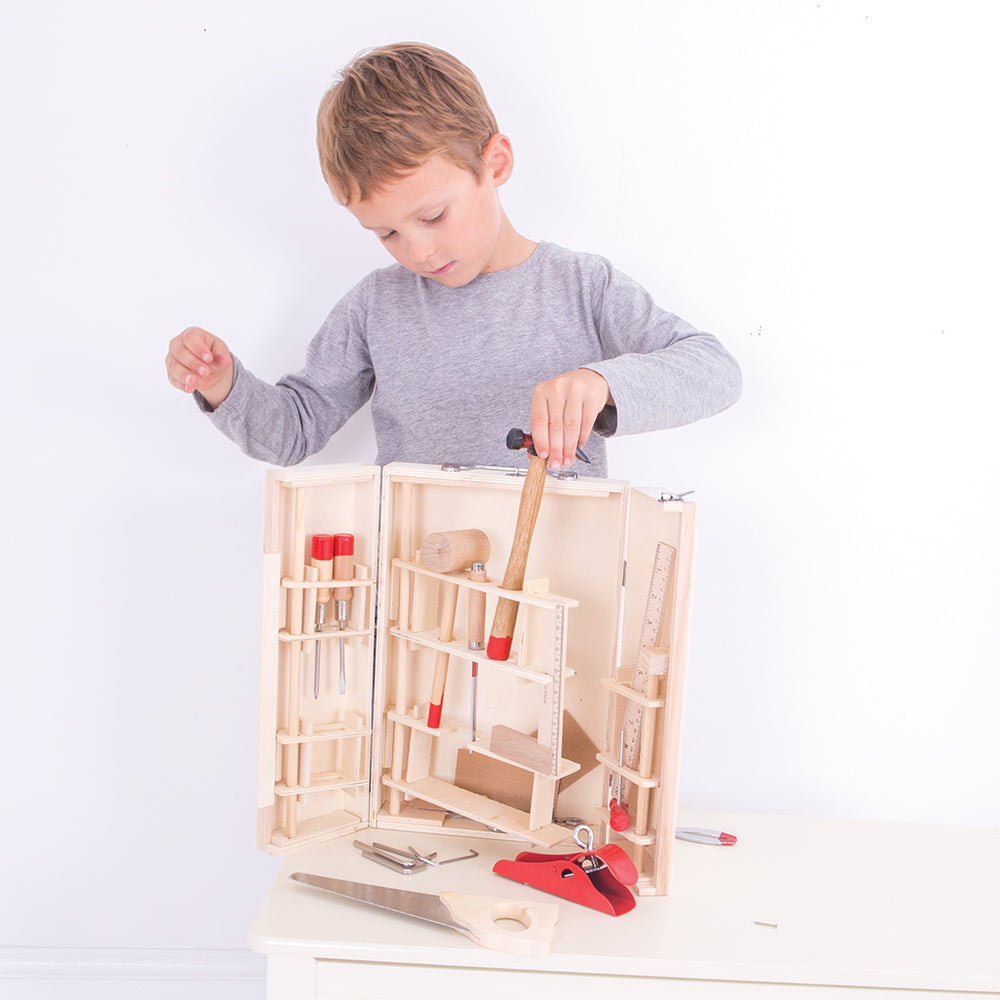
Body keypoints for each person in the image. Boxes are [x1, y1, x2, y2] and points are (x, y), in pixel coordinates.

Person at [164, 42, 741, 477]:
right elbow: (294, 430)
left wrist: (602, 383)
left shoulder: (581, 286)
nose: (418, 251)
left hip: (556, 585)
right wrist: (224, 385)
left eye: (434, 215)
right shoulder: (375, 306)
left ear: (495, 164)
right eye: (387, 233)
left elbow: (715, 370)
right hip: (416, 583)